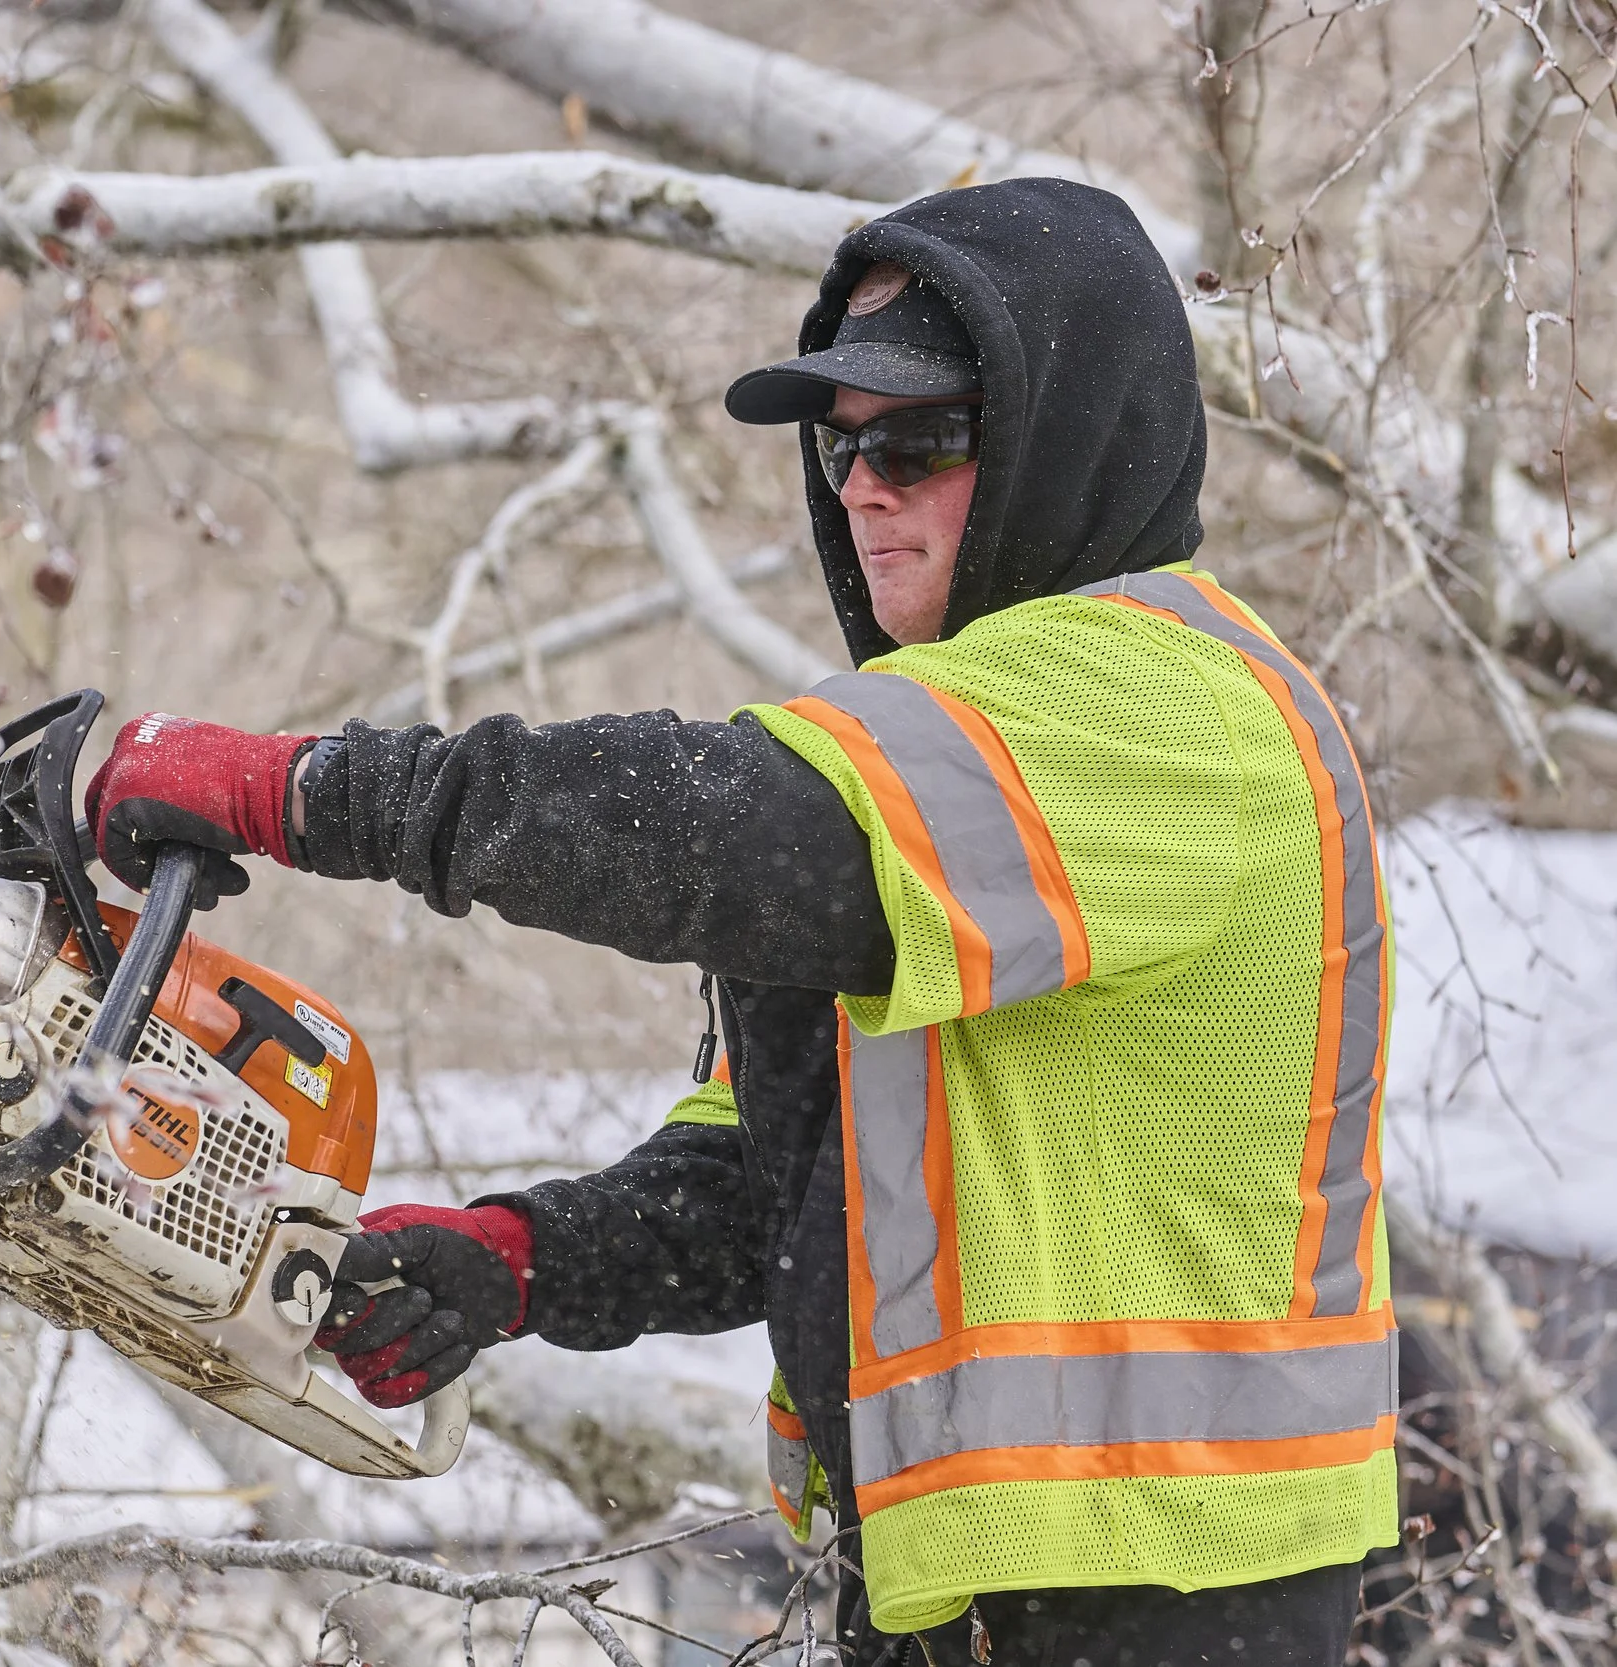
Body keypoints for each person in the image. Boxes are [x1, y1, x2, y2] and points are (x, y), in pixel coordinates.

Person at [81, 177, 1397, 1665]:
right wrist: (519, 1256)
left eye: (923, 438)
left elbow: (708, 833)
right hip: (951, 1605)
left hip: (1171, 1595)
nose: (863, 487)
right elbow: (771, 1182)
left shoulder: (1168, 704)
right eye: (841, 445)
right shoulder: (941, 784)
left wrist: (300, 791)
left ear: (1071, 431)